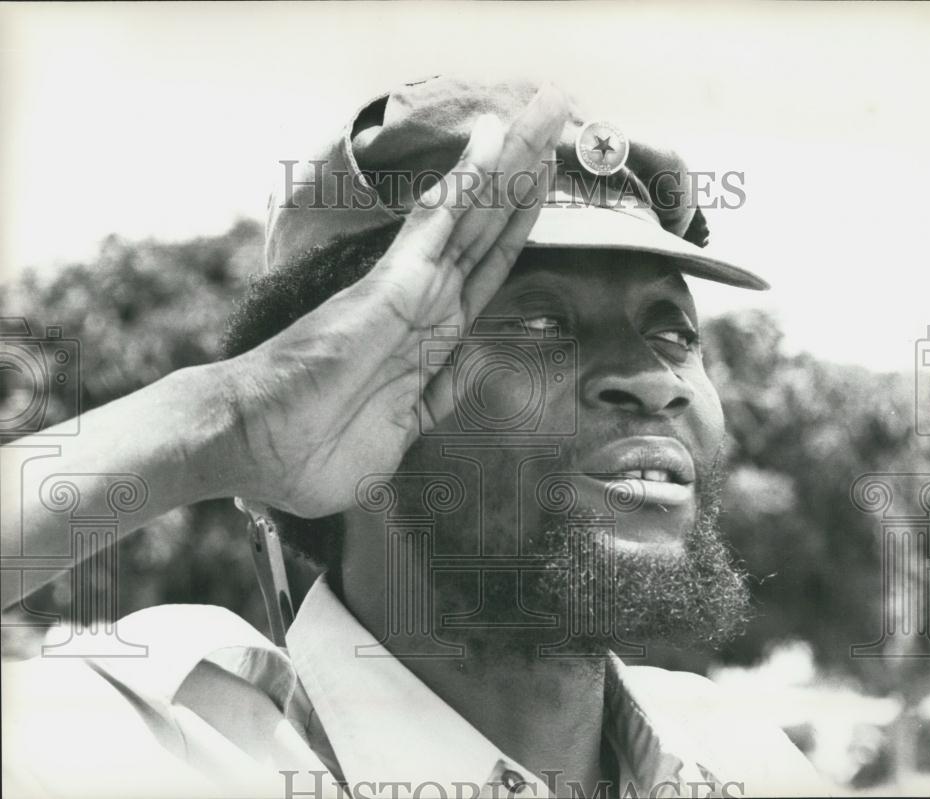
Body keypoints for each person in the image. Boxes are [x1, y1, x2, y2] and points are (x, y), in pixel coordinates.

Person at [1, 77, 825, 798]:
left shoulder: (741, 760)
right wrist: (225, 421)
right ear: (340, 390)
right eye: (539, 322)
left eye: (673, 330)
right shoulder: (156, 743)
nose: (657, 378)